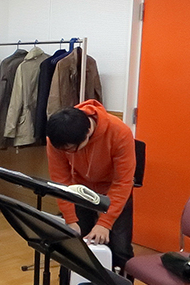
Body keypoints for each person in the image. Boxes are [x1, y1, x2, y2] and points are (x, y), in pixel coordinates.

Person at [45, 99, 136, 272]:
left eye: (71, 150)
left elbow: (122, 182)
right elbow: (61, 180)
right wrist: (70, 219)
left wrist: (105, 223)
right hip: (79, 189)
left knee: (120, 248)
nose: (67, 153)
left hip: (113, 191)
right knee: (75, 244)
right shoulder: (58, 137)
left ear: (88, 133)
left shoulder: (119, 133)